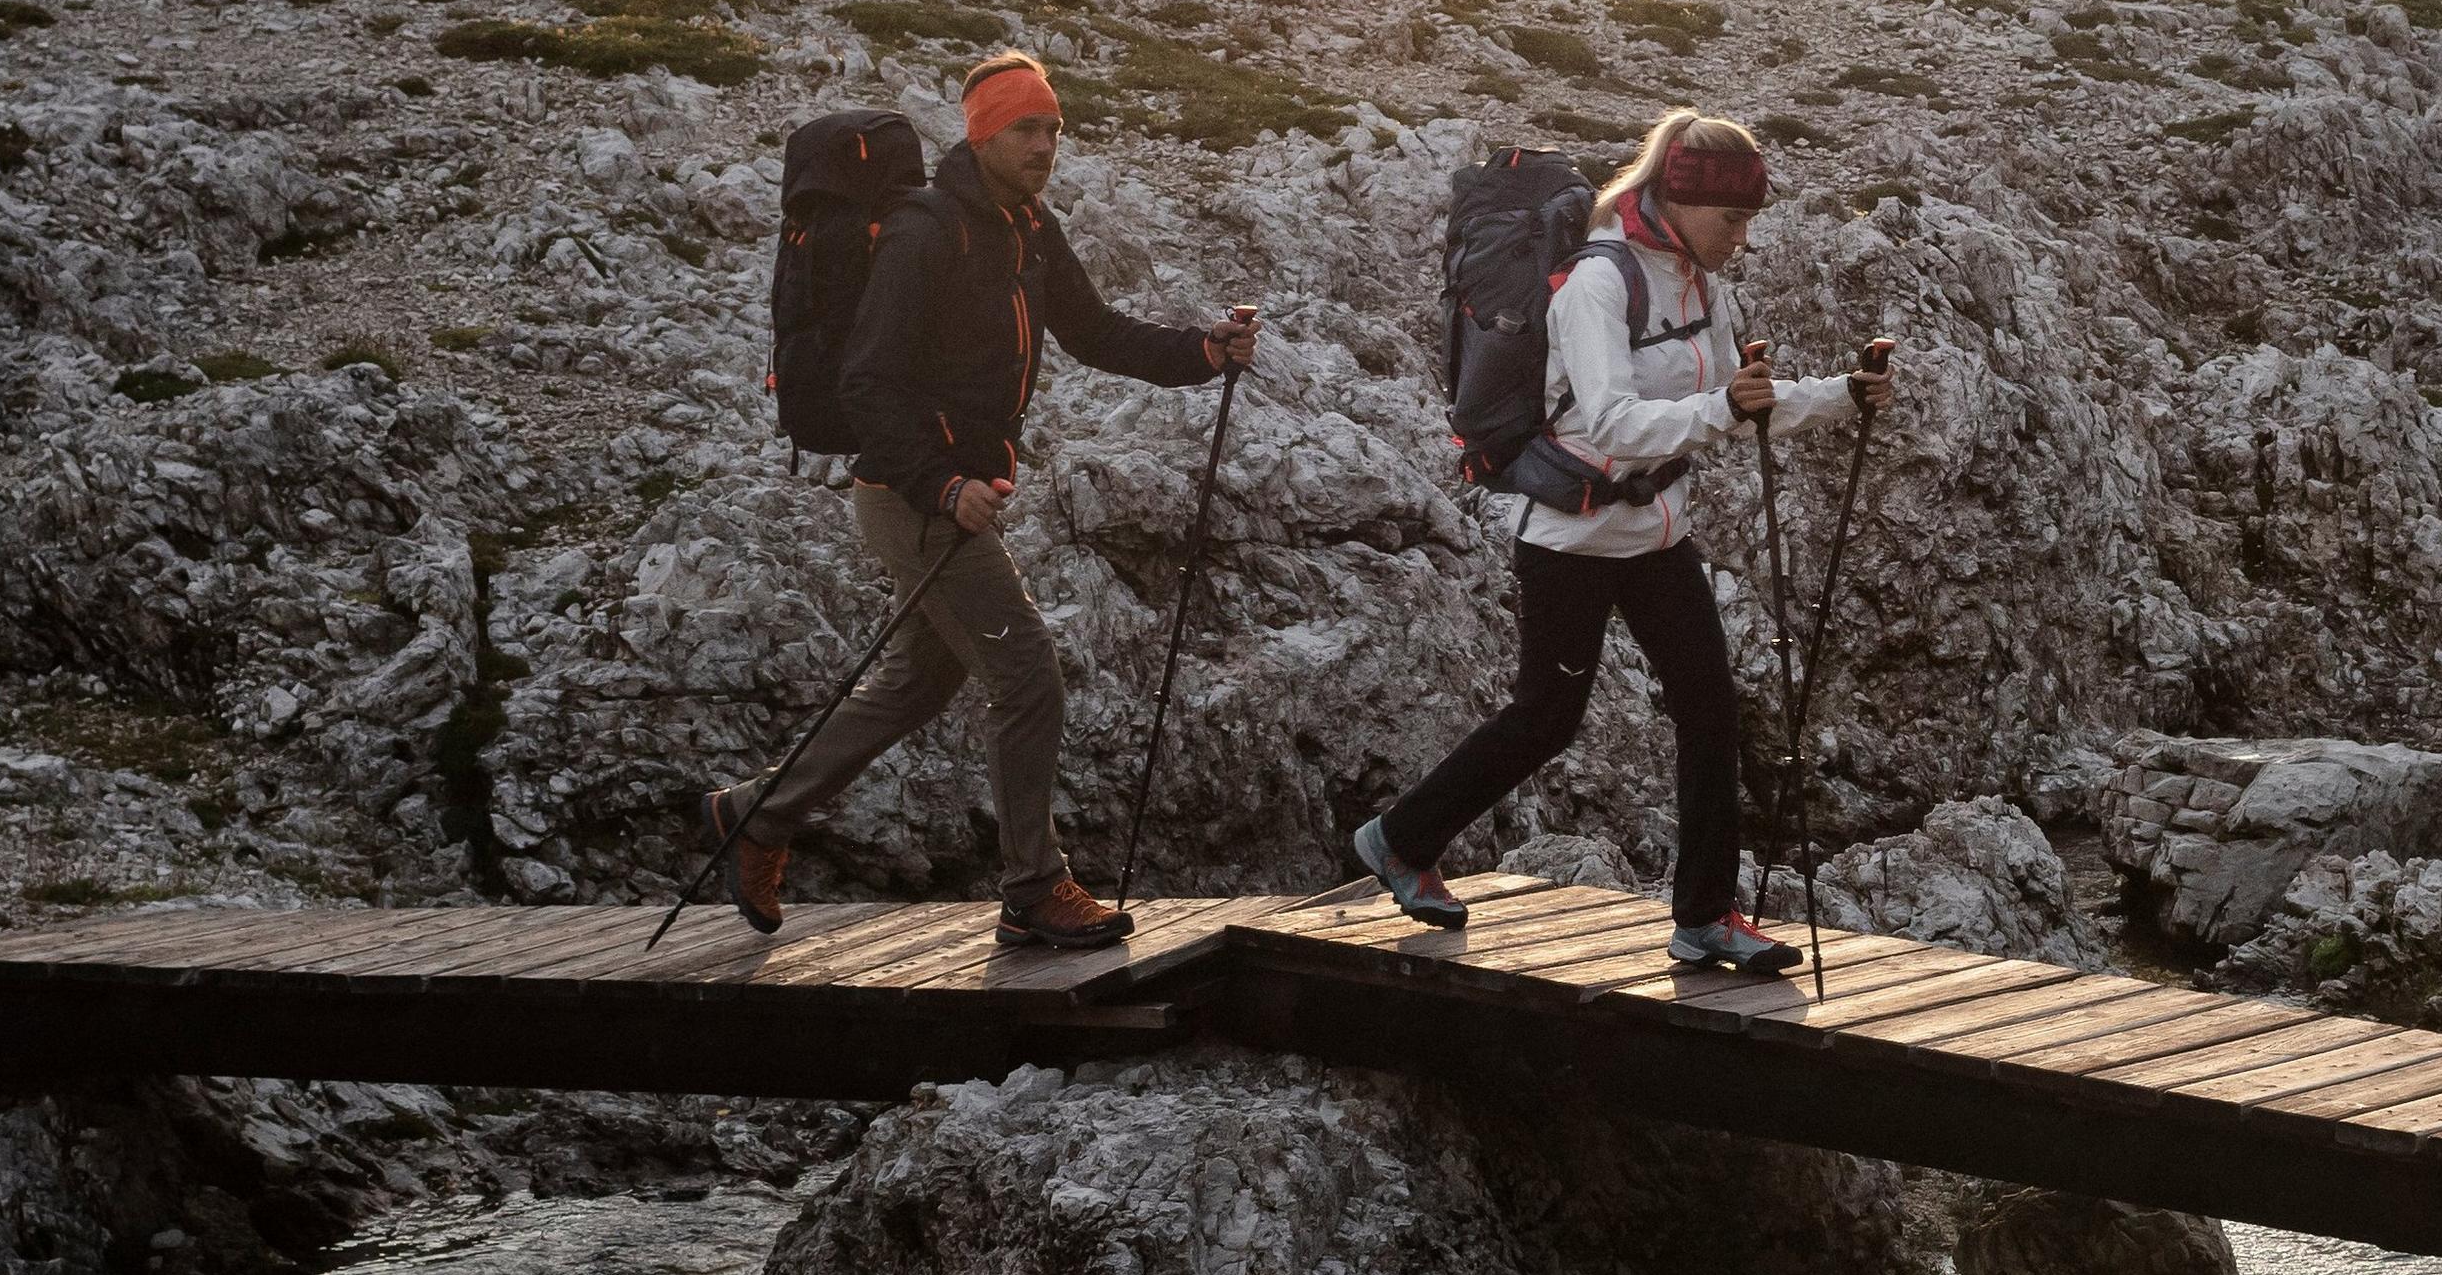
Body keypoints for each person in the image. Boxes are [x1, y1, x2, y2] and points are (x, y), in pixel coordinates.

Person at [710, 48, 1248, 954]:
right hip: (915, 498)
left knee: (919, 681)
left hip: (944, 493)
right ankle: (1033, 889)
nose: (1044, 145)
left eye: (1053, 129)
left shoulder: (1027, 226)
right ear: (982, 133)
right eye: (1025, 129)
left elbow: (1093, 330)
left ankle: (755, 814)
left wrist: (1202, 351)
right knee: (1028, 673)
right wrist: (944, 483)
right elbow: (867, 381)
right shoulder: (928, 232)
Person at [1348, 107, 1865, 982]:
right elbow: (1614, 422)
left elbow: (1745, 399)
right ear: (1677, 198)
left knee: (1712, 716)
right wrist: (1722, 409)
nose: (1740, 238)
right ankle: (1399, 838)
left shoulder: (1703, 284)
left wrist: (1846, 393)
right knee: (1546, 719)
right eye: (1731, 219)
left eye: (1747, 222)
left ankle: (1704, 918)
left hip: (1659, 536)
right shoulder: (1597, 282)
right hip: (1573, 537)